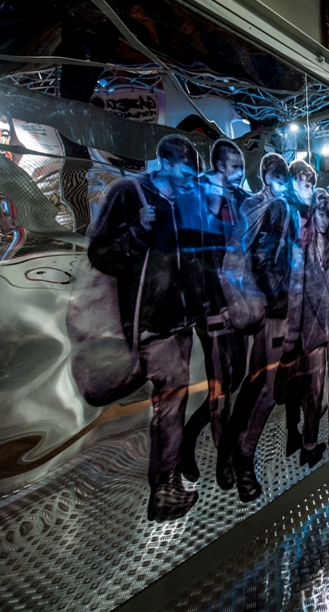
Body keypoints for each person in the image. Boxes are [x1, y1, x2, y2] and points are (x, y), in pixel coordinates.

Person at [87, 135, 202, 522]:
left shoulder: (182, 200)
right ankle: (164, 488)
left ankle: (167, 483)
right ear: (166, 163)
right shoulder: (128, 192)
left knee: (173, 401)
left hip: (181, 321)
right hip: (150, 323)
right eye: (186, 172)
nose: (190, 180)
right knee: (170, 402)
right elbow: (99, 254)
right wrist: (137, 231)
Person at [179, 138, 249, 490]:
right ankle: (225, 462)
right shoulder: (199, 199)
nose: (241, 174)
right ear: (221, 166)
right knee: (223, 383)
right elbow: (194, 257)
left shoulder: (236, 201)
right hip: (212, 306)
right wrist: (207, 306)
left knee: (234, 380)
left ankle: (188, 439)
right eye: (236, 167)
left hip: (234, 303)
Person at [230, 153, 297, 502]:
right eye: (279, 178)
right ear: (268, 178)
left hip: (270, 306)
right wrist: (276, 297)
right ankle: (243, 456)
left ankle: (235, 449)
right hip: (269, 309)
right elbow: (261, 257)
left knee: (258, 382)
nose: (283, 185)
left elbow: (283, 256)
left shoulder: (276, 208)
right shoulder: (265, 209)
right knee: (267, 389)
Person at [285, 188, 329, 464]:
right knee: (314, 389)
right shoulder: (302, 248)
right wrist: (292, 333)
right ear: (313, 212)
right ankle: (309, 443)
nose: (324, 218)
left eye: (328, 213)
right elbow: (296, 294)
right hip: (312, 327)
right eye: (320, 212)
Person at [279, 160, 317, 458]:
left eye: (312, 183)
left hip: (304, 302)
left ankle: (299, 434)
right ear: (294, 181)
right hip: (289, 303)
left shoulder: (306, 211)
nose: (311, 188)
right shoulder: (286, 211)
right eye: (306, 182)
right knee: (294, 372)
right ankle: (296, 433)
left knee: (301, 373)